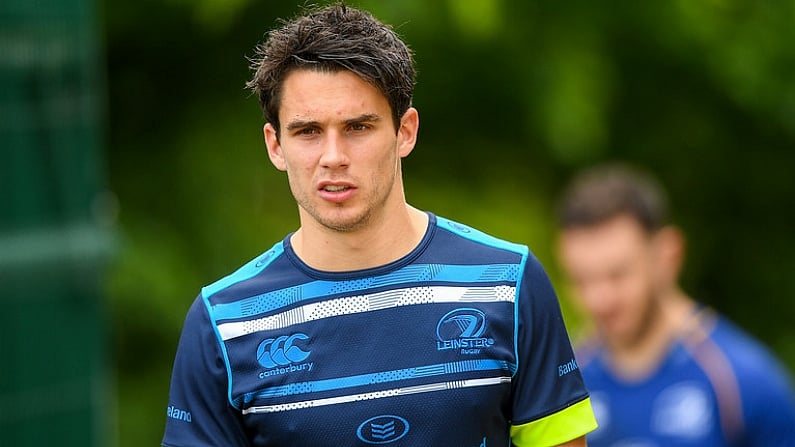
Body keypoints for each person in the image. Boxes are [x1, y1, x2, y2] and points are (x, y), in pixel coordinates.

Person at [161, 3, 597, 446]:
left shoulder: (508, 283)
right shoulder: (223, 322)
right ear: (275, 145)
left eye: (357, 127)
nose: (333, 156)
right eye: (308, 131)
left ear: (404, 131)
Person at [555, 162, 795, 446]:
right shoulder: (560, 385)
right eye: (581, 280)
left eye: (618, 275)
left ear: (667, 256)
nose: (599, 299)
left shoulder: (741, 381)